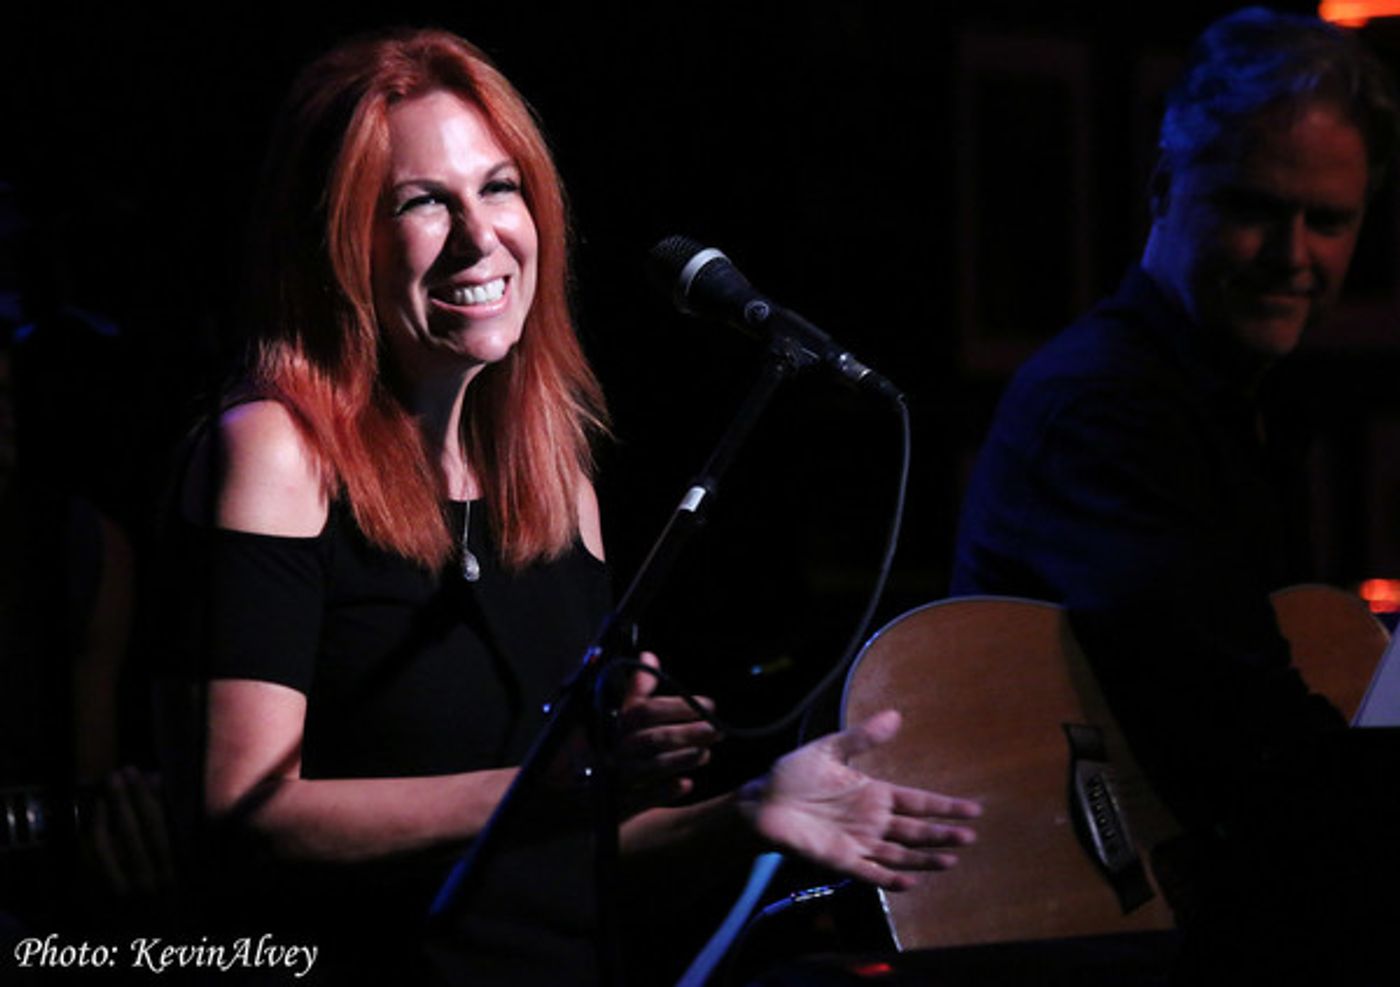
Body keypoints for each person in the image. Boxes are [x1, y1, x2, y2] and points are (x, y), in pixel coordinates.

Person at [171, 27, 979, 985]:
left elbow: (583, 843)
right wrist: (551, 786)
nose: (482, 237)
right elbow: (241, 814)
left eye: (499, 188)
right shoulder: (277, 449)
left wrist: (750, 813)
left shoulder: (554, 478)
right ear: (340, 244)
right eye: (424, 202)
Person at [952, 7, 1400, 982]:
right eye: (1250, 207)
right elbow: (1243, 745)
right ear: (1162, 188)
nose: (1290, 255)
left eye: (1326, 222)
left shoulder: (1218, 400)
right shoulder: (1108, 406)